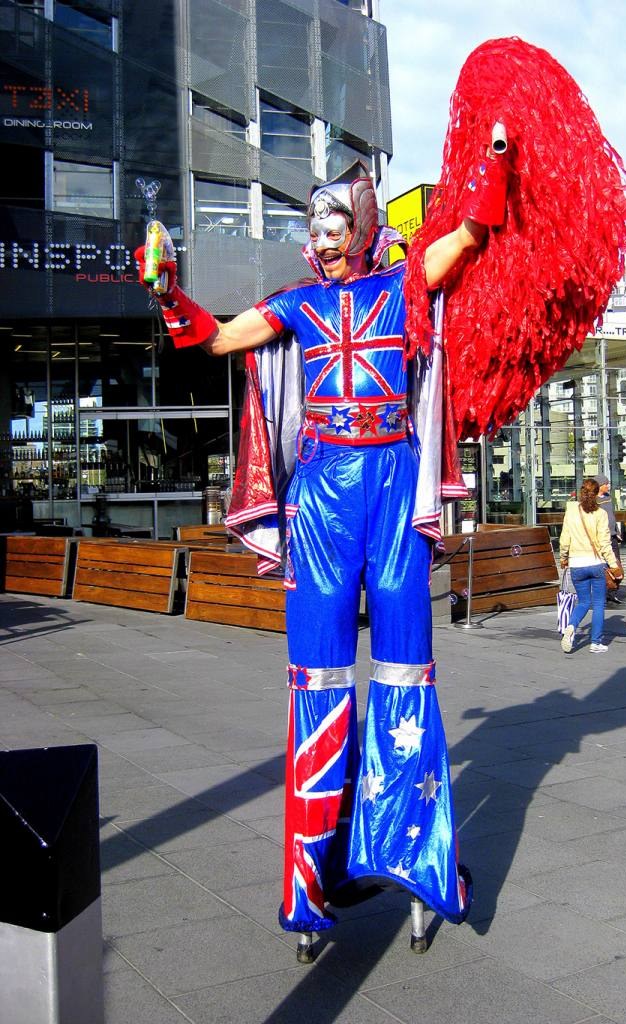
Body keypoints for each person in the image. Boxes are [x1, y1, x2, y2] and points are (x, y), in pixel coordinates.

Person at [134, 156, 510, 958]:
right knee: (317, 680)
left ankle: (414, 862)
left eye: (337, 229)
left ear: (364, 232)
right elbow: (221, 337)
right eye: (315, 231)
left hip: (394, 481)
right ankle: (312, 883)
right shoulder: (297, 305)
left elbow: (471, 234)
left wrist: (501, 153)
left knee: (409, 668)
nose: (325, 241)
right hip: (324, 494)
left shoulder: (403, 284)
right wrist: (168, 295)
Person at [558, 478, 620, 653]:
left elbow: (564, 539)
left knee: (583, 601)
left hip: (576, 564)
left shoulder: (571, 512)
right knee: (599, 604)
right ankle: (596, 642)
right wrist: (614, 565)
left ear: (581, 492)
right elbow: (605, 544)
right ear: (597, 493)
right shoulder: (601, 514)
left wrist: (563, 558)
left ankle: (571, 626)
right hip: (596, 563)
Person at [594, 473, 622, 605]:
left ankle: (613, 593)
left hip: (612, 536)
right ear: (600, 486)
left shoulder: (609, 498)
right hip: (601, 538)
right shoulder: (593, 501)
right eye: (606, 484)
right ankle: (602, 595)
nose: (608, 486)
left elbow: (612, 516)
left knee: (616, 565)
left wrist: (617, 531)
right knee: (603, 567)